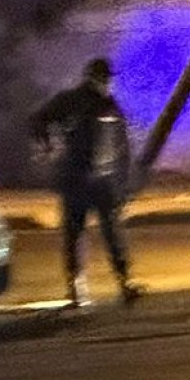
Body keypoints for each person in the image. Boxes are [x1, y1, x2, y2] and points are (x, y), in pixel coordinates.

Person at [31, 58, 142, 307]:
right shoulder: (76, 102)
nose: (108, 84)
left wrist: (122, 181)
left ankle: (116, 284)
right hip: (81, 179)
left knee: (101, 234)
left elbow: (120, 145)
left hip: (96, 180)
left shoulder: (107, 104)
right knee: (81, 233)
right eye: (105, 79)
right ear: (96, 78)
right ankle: (79, 288)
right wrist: (47, 146)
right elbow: (39, 120)